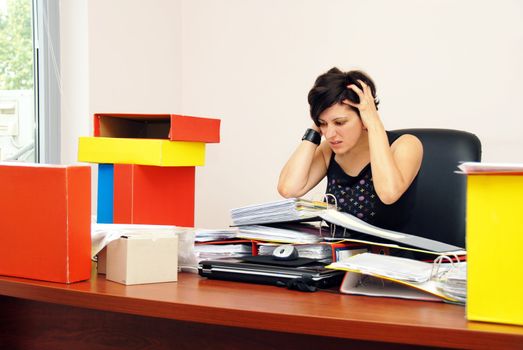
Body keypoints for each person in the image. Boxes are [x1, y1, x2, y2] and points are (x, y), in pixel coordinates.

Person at [278, 67, 423, 231]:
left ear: (363, 118)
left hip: (390, 255)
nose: (330, 134)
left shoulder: (406, 145)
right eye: (323, 124)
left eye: (339, 122)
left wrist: (374, 122)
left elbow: (388, 193)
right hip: (341, 254)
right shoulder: (329, 150)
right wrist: (315, 127)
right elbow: (288, 189)